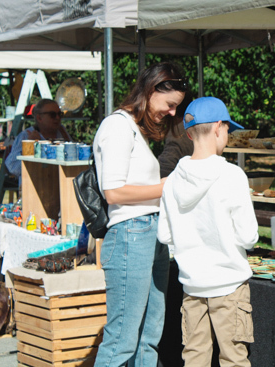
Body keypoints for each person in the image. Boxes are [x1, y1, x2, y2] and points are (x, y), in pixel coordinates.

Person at [92, 62, 187, 367]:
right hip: (131, 233)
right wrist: (164, 186)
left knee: (149, 336)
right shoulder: (117, 126)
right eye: (170, 105)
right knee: (122, 339)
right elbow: (114, 193)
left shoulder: (135, 130)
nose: (172, 113)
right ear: (153, 89)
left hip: (149, 233)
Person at [157, 96, 259, 367]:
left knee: (194, 359)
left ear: (189, 133)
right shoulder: (233, 175)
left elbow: (164, 236)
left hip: (192, 286)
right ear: (218, 127)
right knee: (234, 360)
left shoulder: (171, 182)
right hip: (229, 284)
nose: (227, 134)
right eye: (228, 128)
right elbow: (249, 237)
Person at [4, 99, 72, 183]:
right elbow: (12, 167)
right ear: (39, 118)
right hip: (34, 188)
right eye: (52, 115)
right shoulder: (26, 136)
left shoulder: (62, 132)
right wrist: (30, 148)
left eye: (59, 114)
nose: (57, 118)